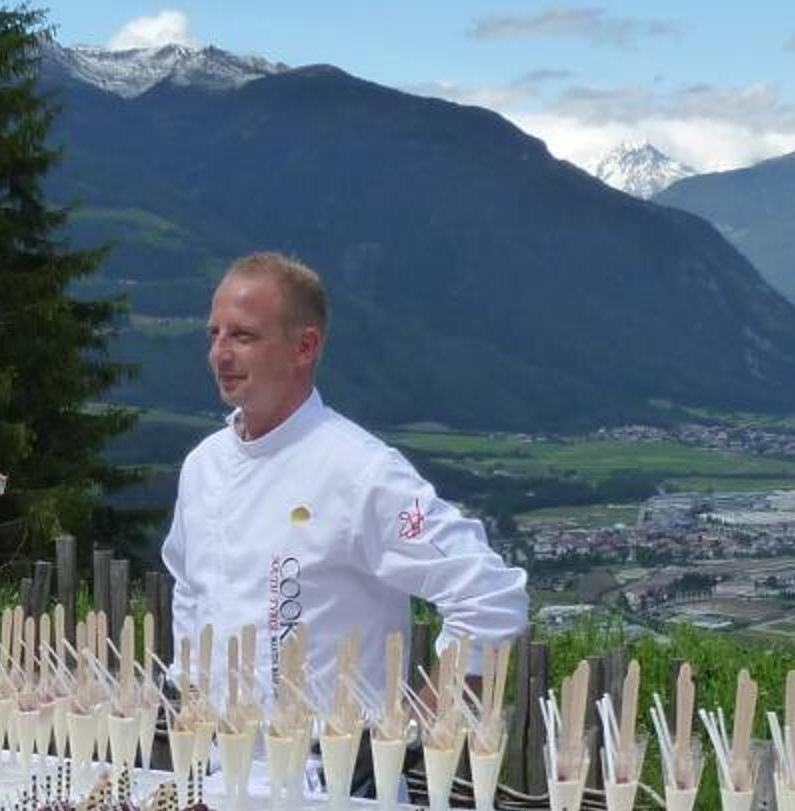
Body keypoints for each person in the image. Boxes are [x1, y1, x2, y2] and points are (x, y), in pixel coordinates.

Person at [163, 251, 528, 712]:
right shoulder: (203, 465)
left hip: (329, 775)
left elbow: (489, 593)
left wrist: (420, 730)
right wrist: (187, 691)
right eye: (215, 334)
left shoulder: (361, 472)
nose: (220, 353)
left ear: (305, 347)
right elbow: (190, 589)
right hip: (214, 764)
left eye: (243, 335)